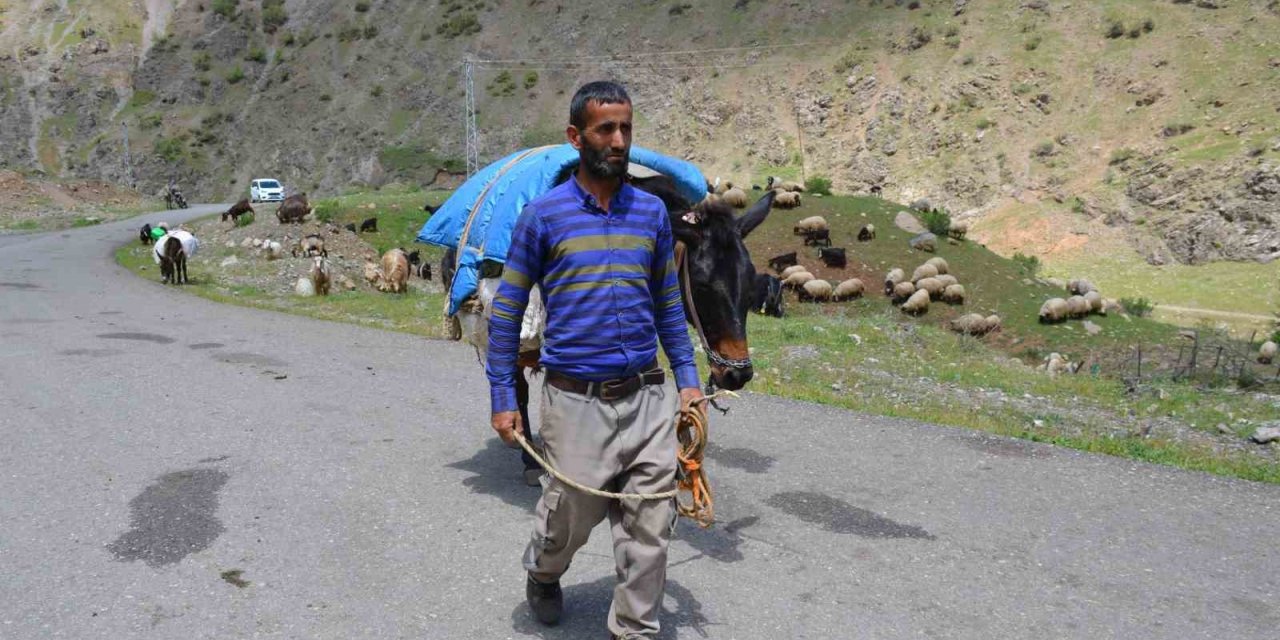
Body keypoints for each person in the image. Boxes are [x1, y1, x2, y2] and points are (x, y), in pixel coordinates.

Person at [485, 80, 705, 639]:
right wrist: (503, 399)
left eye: (626, 128)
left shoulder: (652, 213)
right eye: (606, 128)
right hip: (574, 400)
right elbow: (507, 313)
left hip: (648, 396)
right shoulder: (544, 216)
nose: (618, 140)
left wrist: (687, 380)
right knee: (568, 518)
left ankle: (632, 628)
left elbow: (667, 306)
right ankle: (543, 572)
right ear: (575, 137)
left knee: (653, 521)